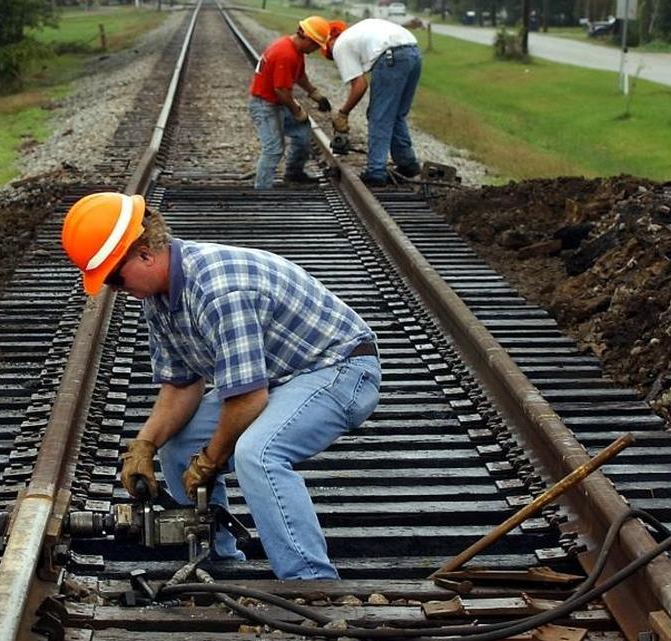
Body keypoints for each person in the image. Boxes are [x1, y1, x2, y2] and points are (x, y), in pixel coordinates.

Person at [60, 192, 382, 580]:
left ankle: (310, 580)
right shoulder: (159, 301)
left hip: (339, 370)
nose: (115, 289)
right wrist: (144, 444)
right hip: (279, 377)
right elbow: (182, 387)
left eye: (114, 276)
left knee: (257, 453)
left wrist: (212, 458)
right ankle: (219, 562)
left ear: (144, 253)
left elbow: (248, 399)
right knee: (179, 447)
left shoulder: (217, 290)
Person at [324, 18, 423, 187]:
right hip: (414, 52)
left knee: (379, 116)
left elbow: (360, 85)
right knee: (397, 114)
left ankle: (376, 172)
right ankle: (408, 164)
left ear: (330, 43)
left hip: (391, 57)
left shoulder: (339, 45)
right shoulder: (360, 32)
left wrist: (343, 113)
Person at [248, 16, 336, 189]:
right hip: (265, 105)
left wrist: (314, 93)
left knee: (302, 132)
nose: (315, 49)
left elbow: (299, 75)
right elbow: (281, 91)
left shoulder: (295, 50)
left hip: (277, 103)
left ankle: (294, 174)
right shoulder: (285, 54)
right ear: (306, 38)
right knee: (273, 148)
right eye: (315, 45)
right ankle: (262, 190)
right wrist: (297, 111)